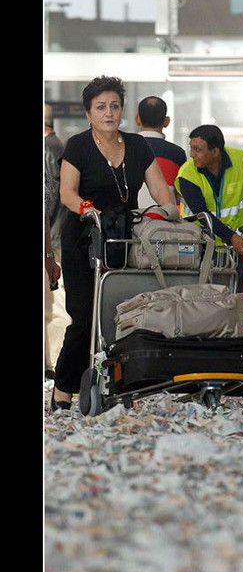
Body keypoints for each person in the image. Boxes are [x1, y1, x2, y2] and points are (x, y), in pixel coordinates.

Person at [51, 75, 173, 411]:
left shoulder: (137, 145)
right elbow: (67, 194)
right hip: (82, 240)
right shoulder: (77, 145)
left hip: (122, 239)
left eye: (114, 106)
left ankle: (119, 379)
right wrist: (92, 211)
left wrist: (168, 212)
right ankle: (63, 387)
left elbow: (162, 192)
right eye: (101, 107)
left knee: (120, 313)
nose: (109, 113)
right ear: (88, 113)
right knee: (84, 316)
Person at [174, 124, 243, 261]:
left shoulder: (240, 160)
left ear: (215, 152)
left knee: (235, 282)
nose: (192, 154)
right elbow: (202, 214)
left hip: (234, 251)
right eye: (191, 148)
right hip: (199, 247)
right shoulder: (187, 175)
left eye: (197, 149)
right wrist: (231, 237)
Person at [44, 104, 70, 380]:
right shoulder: (57, 146)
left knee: (54, 302)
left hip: (52, 239)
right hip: (54, 237)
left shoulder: (48, 150)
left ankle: (54, 363)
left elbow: (47, 203)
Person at [134, 96, 187, 208]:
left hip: (130, 219)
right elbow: (180, 196)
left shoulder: (124, 148)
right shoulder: (177, 154)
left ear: (137, 119)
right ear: (166, 121)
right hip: (165, 219)